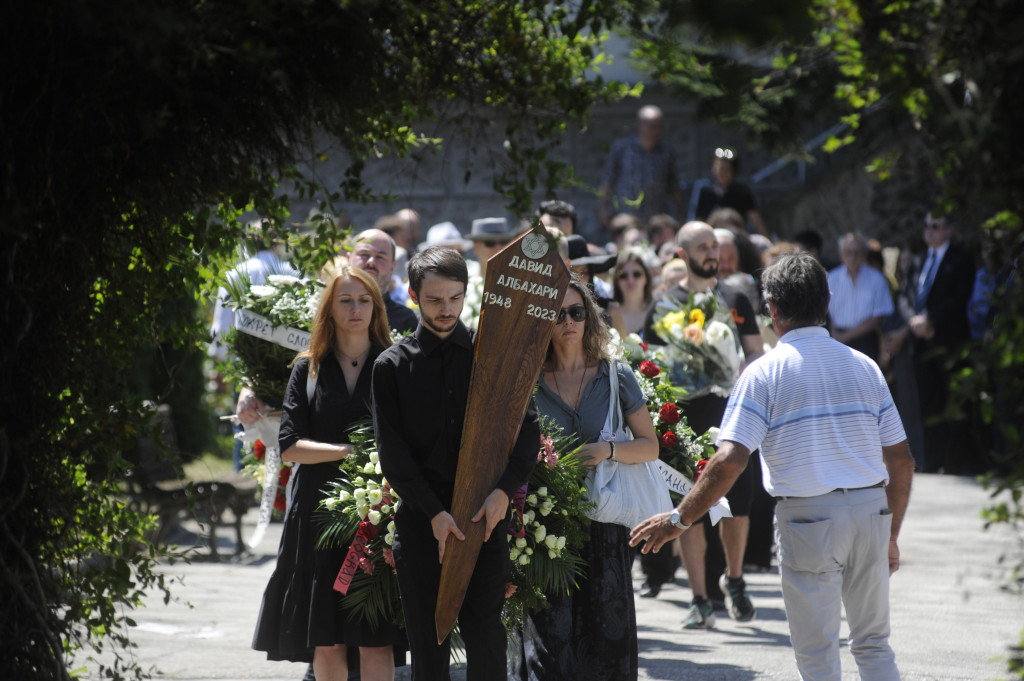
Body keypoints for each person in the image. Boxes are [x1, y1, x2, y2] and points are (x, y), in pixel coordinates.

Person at [631, 252, 916, 681]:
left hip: (808, 517)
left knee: (818, 654)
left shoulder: (763, 373)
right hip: (870, 511)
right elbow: (902, 461)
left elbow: (729, 460)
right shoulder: (865, 367)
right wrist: (890, 533)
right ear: (828, 301)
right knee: (874, 644)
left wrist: (679, 518)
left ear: (772, 308)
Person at [371, 247, 539, 681]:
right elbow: (393, 452)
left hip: (485, 516)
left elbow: (526, 433)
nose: (446, 310)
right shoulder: (391, 366)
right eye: (433, 300)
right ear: (412, 294)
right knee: (429, 643)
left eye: (455, 298)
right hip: (422, 521)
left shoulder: (493, 357)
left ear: (468, 294)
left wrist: (504, 491)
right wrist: (434, 513)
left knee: (486, 636)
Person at [252, 266, 399, 681]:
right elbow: (290, 445)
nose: (356, 309)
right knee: (327, 636)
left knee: (376, 634)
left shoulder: (394, 364)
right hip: (316, 517)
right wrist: (349, 453)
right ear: (329, 310)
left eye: (364, 300)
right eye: (345, 300)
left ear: (376, 308)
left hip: (378, 515)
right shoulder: (309, 368)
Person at [520, 274, 659, 681]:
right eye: (556, 313)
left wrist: (606, 451)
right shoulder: (527, 382)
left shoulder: (615, 375)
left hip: (606, 526)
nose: (568, 321)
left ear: (589, 318)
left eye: (577, 312)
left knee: (607, 649)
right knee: (550, 649)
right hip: (547, 527)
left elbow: (649, 445)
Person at [642, 221, 764, 624]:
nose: (712, 253)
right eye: (702, 247)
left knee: (738, 504)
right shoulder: (663, 305)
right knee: (687, 501)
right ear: (682, 254)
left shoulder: (736, 297)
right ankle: (699, 598)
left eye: (715, 245)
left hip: (732, 412)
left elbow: (755, 358)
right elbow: (650, 366)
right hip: (685, 417)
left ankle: (734, 577)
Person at [210, 220, 301, 470]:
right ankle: (284, 472)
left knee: (246, 418)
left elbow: (222, 327)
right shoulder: (292, 270)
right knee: (284, 419)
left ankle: (249, 474)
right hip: (289, 359)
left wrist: (220, 366)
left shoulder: (236, 273)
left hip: (247, 361)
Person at [907, 212, 974, 473]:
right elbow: (906, 295)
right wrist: (913, 320)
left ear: (948, 229)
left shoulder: (961, 258)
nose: (929, 232)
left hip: (948, 339)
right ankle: (932, 460)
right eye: (926, 226)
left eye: (935, 227)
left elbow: (961, 296)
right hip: (921, 342)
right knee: (928, 402)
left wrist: (931, 319)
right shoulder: (919, 259)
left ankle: (955, 461)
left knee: (952, 401)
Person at [598, 105, 686, 229]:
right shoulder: (622, 149)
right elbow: (608, 180)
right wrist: (602, 207)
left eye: (658, 127)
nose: (655, 131)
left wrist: (680, 212)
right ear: (640, 125)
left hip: (657, 221)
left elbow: (674, 185)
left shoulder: (667, 152)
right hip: (626, 218)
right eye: (651, 127)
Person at [827, 233, 895, 363]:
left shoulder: (877, 279)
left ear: (864, 255)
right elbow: (826, 312)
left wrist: (846, 336)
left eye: (857, 253)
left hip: (866, 340)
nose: (852, 257)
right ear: (841, 255)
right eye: (848, 252)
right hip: (837, 339)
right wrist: (835, 334)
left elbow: (878, 317)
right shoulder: (831, 279)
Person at [345, 229, 419, 335]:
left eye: (380, 257)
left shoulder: (410, 322)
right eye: (364, 255)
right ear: (348, 259)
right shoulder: (328, 314)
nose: (371, 262)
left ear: (393, 266)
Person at [694, 147, 768, 237]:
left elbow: (755, 218)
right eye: (720, 169)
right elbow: (700, 219)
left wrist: (766, 238)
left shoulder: (741, 191)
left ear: (733, 171)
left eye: (726, 169)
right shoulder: (706, 191)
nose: (722, 173)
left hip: (736, 236)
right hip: (712, 236)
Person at [608, 249, 655, 338]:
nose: (630, 280)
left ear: (646, 278)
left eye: (636, 274)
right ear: (616, 281)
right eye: (624, 276)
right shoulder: (608, 313)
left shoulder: (657, 311)